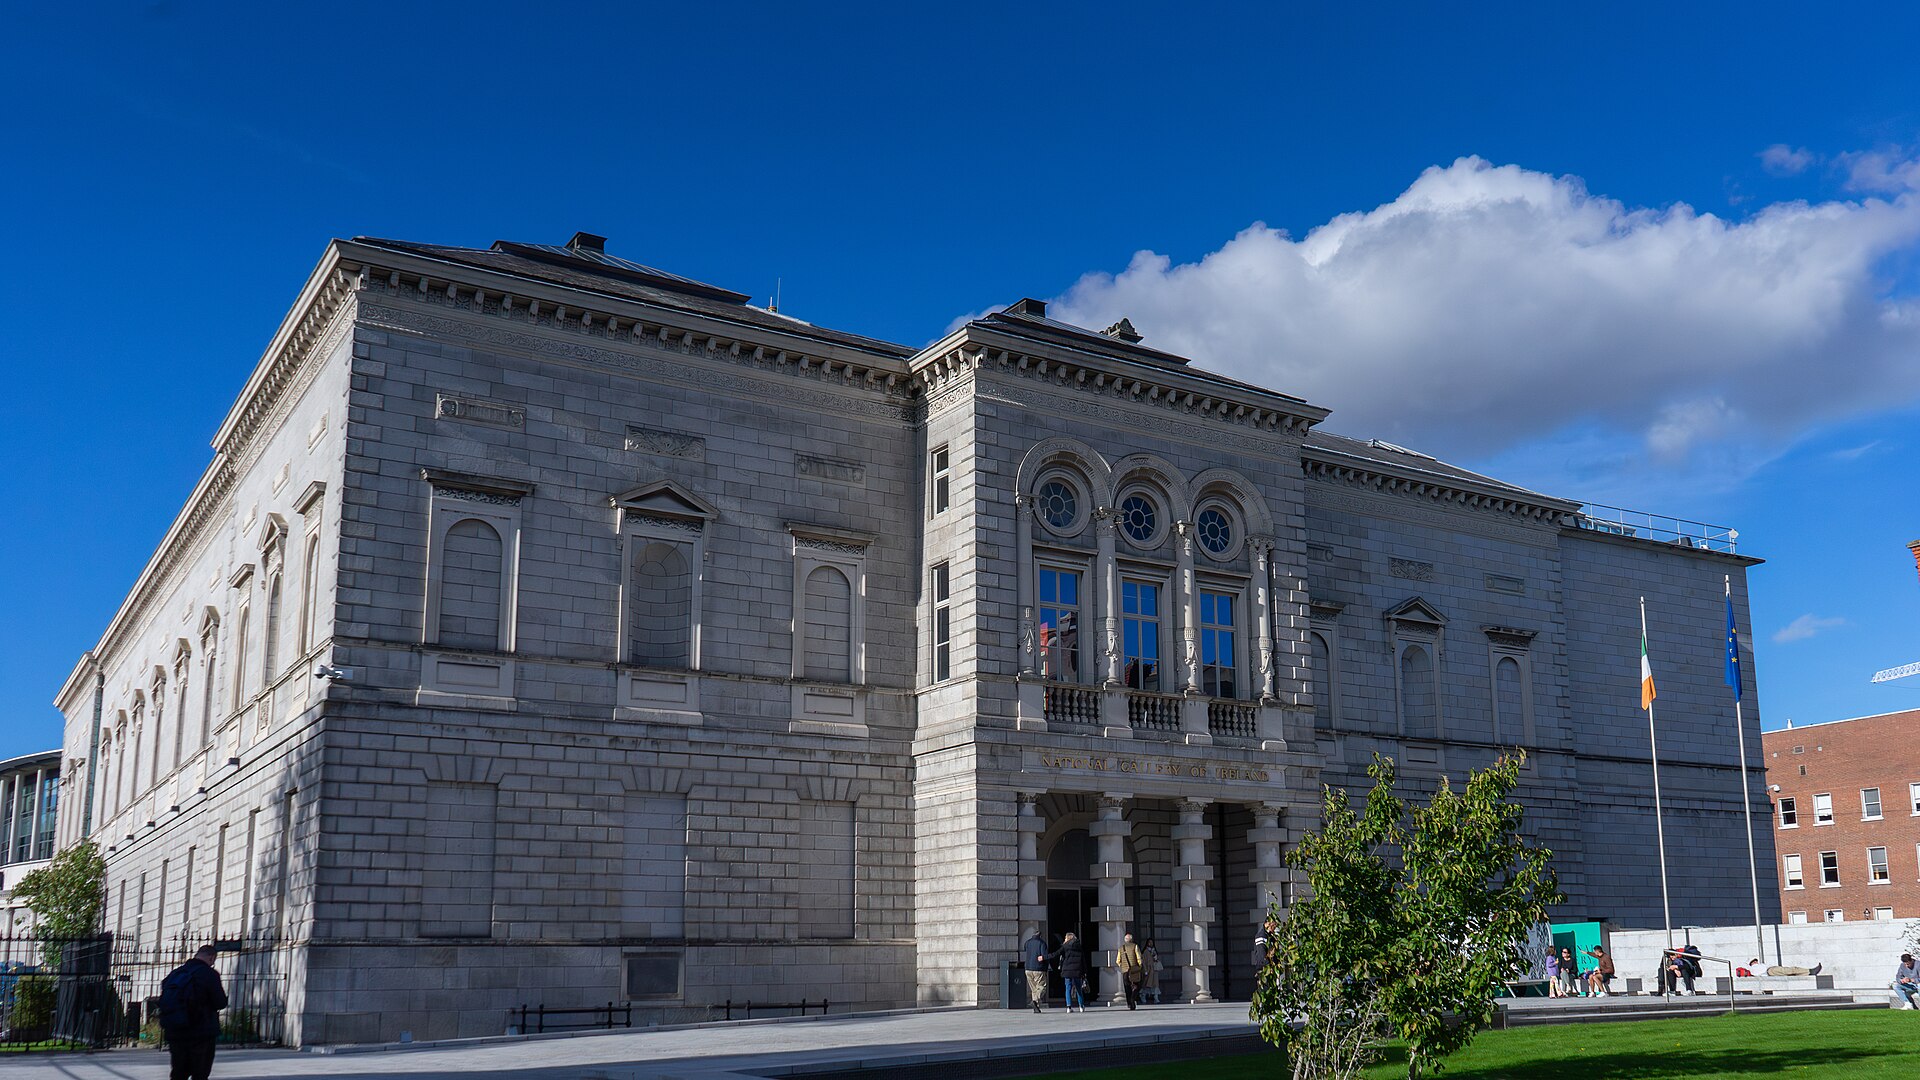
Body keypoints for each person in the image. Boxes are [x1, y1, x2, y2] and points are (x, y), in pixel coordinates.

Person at [157, 945, 228, 1080]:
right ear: (211, 957)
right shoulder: (209, 974)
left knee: (178, 1073)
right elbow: (220, 1002)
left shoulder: (176, 973)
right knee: (200, 1073)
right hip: (201, 1032)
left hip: (176, 1030)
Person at [1053, 932, 1088, 1013]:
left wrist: (1045, 957)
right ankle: (1081, 1006)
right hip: (1077, 970)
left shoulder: (1065, 946)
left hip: (1067, 970)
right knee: (1078, 988)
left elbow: (1056, 954)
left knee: (1068, 988)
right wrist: (1084, 971)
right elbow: (1083, 960)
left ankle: (1069, 1006)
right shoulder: (1079, 947)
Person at [1022, 928, 1050, 1013]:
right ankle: (1035, 1000)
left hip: (1028, 968)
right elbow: (1044, 956)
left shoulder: (1027, 942)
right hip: (1038, 968)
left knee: (1034, 989)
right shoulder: (1042, 943)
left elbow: (1024, 949)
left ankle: (1036, 1008)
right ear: (1040, 935)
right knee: (1042, 987)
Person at [1116, 933, 1146, 1010]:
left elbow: (1118, 960)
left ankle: (1129, 1003)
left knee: (1127, 988)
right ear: (1131, 939)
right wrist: (1140, 966)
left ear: (1125, 940)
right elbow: (1139, 957)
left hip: (1125, 971)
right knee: (1136, 985)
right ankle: (1133, 999)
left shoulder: (1121, 948)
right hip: (1134, 970)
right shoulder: (1135, 946)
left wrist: (1122, 966)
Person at [1141, 939, 1162, 1005]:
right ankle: (1143, 995)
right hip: (1148, 970)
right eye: (1149, 942)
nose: (1150, 944)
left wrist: (1155, 959)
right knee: (1147, 984)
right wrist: (1145, 970)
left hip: (1154, 969)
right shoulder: (1145, 952)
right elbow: (1143, 962)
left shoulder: (1154, 951)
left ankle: (1156, 997)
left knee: (1155, 984)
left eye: (1151, 942)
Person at [1751, 958, 1824, 977]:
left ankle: (1809, 973)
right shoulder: (1753, 968)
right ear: (1752, 963)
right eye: (1755, 961)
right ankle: (1810, 971)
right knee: (1791, 970)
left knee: (1792, 973)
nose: (1757, 962)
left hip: (1771, 971)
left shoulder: (1755, 968)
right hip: (1771, 970)